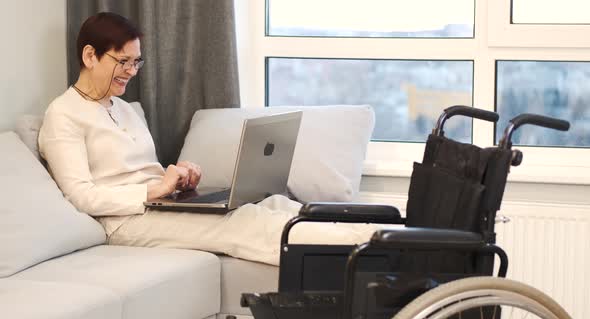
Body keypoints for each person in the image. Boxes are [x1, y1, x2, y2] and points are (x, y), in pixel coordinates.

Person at [38, 12, 377, 266]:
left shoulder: (124, 109)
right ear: (89, 56)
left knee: (273, 204)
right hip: (123, 222)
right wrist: (153, 190)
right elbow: (81, 197)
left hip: (159, 203)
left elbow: (145, 171)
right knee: (244, 224)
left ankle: (380, 232)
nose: (131, 70)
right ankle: (375, 248)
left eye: (136, 62)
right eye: (123, 61)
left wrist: (177, 180)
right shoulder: (63, 115)